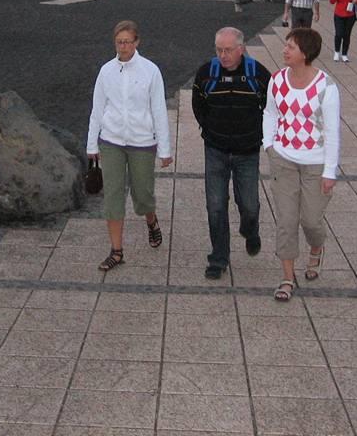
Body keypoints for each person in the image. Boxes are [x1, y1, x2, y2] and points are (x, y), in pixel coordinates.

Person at [87, 21, 173, 271]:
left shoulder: (150, 71)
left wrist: (165, 149)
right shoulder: (106, 71)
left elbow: (158, 111)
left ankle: (151, 219)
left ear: (137, 42)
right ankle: (116, 251)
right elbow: (97, 109)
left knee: (142, 195)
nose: (123, 46)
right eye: (119, 42)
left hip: (142, 142)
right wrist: (92, 143)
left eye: (127, 41)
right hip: (111, 141)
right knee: (112, 196)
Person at [262, 28, 340, 301]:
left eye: (291, 47)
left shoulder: (326, 87)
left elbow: (332, 132)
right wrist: (269, 144)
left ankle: (316, 248)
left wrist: (330, 171)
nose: (285, 50)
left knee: (310, 220)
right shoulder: (277, 80)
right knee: (286, 220)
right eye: (286, 45)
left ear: (305, 53)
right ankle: (286, 278)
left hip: (315, 164)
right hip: (283, 160)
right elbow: (270, 113)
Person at [192, 27, 272, 280]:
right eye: (219, 50)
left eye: (228, 50)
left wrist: (257, 136)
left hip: (247, 151)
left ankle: (250, 230)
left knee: (249, 205)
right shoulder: (206, 73)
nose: (223, 55)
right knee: (215, 206)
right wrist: (210, 130)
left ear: (241, 49)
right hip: (215, 149)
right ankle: (218, 258)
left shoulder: (258, 74)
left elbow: (270, 108)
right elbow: (198, 105)